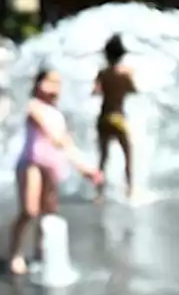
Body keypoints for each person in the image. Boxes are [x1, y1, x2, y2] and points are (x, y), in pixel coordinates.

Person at [8, 68, 103, 275]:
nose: (54, 87)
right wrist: (60, 141)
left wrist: (87, 169)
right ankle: (16, 252)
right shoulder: (34, 107)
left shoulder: (58, 114)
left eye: (57, 83)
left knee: (48, 212)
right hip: (31, 164)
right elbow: (52, 134)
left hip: (51, 166)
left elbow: (68, 145)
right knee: (29, 211)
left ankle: (41, 252)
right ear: (38, 84)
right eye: (49, 82)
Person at [92, 34, 138, 202]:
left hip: (103, 117)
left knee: (103, 158)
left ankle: (99, 193)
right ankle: (130, 190)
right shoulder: (126, 73)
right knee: (128, 154)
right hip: (118, 117)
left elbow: (95, 92)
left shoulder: (102, 73)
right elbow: (134, 90)